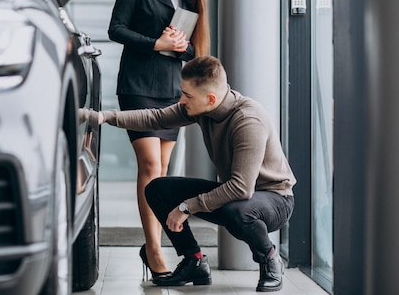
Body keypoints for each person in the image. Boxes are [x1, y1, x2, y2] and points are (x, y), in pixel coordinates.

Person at [87, 56, 296, 292]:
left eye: (187, 95)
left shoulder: (247, 120)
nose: (181, 99)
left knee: (237, 210)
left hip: (274, 198)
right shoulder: (201, 107)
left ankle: (269, 258)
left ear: (211, 99)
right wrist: (103, 117)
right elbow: (155, 117)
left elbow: (241, 187)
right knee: (157, 189)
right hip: (237, 196)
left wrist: (187, 207)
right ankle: (193, 260)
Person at [107, 0, 211, 279]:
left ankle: (156, 245)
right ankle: (153, 250)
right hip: (138, 85)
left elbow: (196, 51)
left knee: (161, 176)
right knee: (151, 167)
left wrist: (181, 47)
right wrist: (156, 43)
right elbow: (116, 29)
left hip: (170, 89)